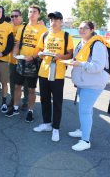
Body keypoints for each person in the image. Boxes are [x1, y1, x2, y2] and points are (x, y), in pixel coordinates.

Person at [69, 21, 110, 151]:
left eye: (85, 28)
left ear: (92, 29)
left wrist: (80, 64)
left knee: (85, 111)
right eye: (79, 28)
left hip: (93, 84)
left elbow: (97, 67)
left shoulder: (97, 44)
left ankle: (85, 141)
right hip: (84, 82)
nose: (81, 30)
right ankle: (82, 130)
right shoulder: (82, 43)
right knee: (86, 110)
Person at [33, 11, 73, 142]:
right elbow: (39, 50)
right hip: (43, 72)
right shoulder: (44, 35)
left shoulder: (66, 36)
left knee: (57, 102)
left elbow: (70, 55)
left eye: (56, 19)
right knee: (44, 99)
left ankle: (56, 128)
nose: (53, 22)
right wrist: (41, 54)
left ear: (61, 21)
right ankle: (46, 124)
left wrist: (60, 56)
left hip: (58, 73)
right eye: (51, 20)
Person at [6, 6, 47, 122]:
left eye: (34, 12)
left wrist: (33, 57)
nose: (32, 14)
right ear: (27, 14)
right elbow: (18, 43)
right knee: (17, 86)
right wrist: (15, 53)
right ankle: (15, 108)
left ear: (39, 15)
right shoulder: (22, 28)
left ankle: (30, 111)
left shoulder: (43, 29)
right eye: (30, 12)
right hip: (21, 61)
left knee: (31, 89)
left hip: (34, 62)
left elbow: (44, 48)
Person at [7, 9, 29, 110]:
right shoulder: (8, 27)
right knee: (12, 81)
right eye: (12, 16)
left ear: (21, 17)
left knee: (25, 82)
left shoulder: (26, 27)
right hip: (12, 59)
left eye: (16, 16)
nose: (14, 18)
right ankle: (13, 99)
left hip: (23, 60)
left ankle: (26, 101)